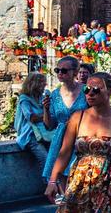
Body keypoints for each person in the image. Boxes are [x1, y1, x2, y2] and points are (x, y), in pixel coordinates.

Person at [46, 72, 111, 212]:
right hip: (79, 181)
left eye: (96, 89)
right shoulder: (78, 117)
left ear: (110, 90)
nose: (90, 93)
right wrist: (52, 181)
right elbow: (64, 152)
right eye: (86, 89)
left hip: (110, 182)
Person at [42, 55, 87, 186]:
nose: (60, 73)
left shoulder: (86, 90)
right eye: (58, 70)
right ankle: (64, 203)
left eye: (64, 70)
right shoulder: (55, 94)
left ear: (75, 72)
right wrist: (45, 109)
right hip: (61, 139)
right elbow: (49, 125)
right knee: (61, 175)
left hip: (81, 136)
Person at [13, 72, 51, 172]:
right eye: (42, 82)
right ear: (35, 84)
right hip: (31, 134)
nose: (44, 85)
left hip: (44, 132)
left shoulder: (41, 97)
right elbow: (31, 117)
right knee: (45, 159)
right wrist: (46, 114)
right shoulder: (24, 99)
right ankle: (49, 185)